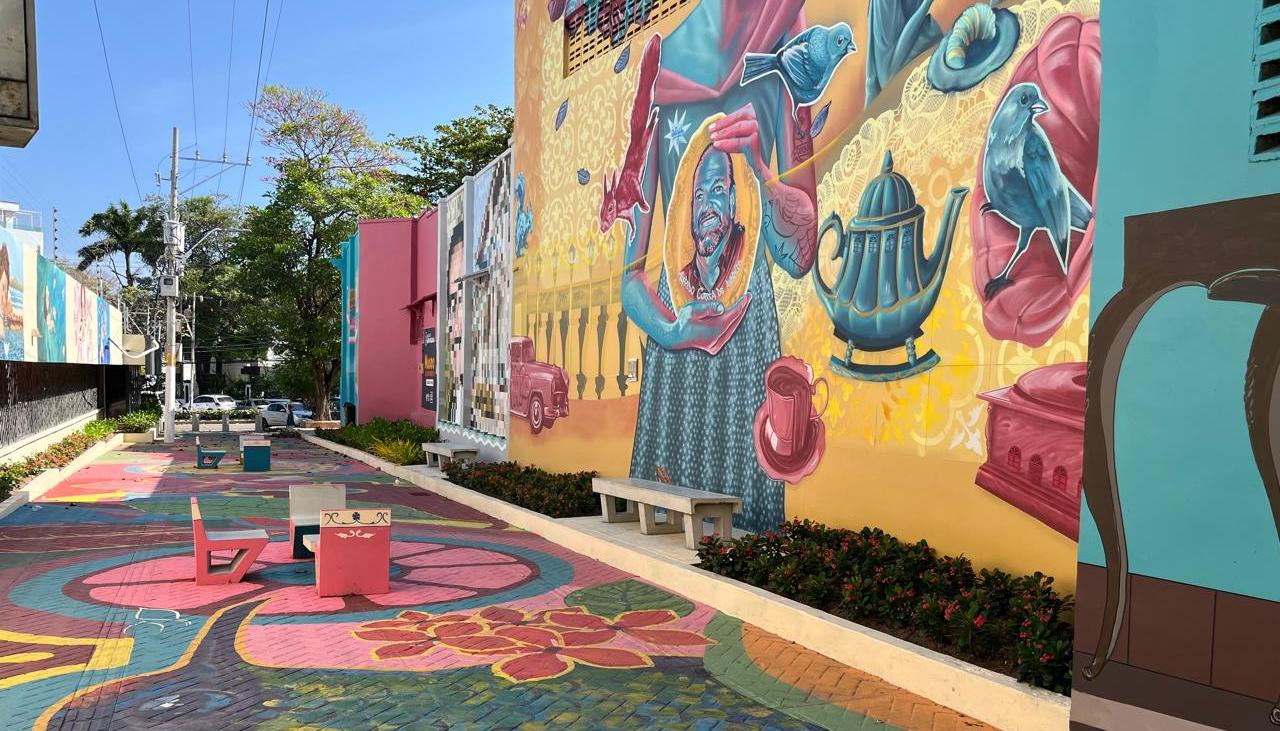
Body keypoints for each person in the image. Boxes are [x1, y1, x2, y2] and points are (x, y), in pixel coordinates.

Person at [618, 0, 820, 532]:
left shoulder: (784, 57)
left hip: (748, 347)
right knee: (661, 529)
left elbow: (800, 255)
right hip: (675, 349)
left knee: (751, 536)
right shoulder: (656, 75)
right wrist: (670, 329)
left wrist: (760, 170)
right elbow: (630, 275)